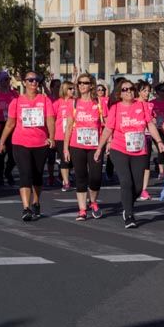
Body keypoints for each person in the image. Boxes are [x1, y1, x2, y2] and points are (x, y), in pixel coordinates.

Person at [98, 78, 164, 228]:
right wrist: (99, 148)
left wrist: (159, 141)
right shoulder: (115, 108)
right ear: (120, 93)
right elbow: (108, 129)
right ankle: (129, 214)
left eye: (131, 89)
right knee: (126, 182)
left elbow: (150, 124)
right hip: (119, 149)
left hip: (139, 150)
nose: (128, 91)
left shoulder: (141, 105)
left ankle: (127, 203)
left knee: (138, 186)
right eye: (125, 89)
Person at [0, 71, 56, 221]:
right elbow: (10, 124)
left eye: (36, 80)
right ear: (24, 82)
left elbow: (50, 120)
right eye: (30, 80)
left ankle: (36, 202)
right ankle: (26, 207)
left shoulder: (44, 100)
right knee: (25, 174)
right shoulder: (16, 102)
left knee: (37, 176)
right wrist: (2, 141)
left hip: (40, 143)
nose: (33, 82)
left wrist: (51, 137)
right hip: (20, 142)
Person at [63, 73, 106, 220]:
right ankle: (82, 209)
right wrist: (65, 148)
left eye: (85, 83)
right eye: (79, 83)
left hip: (95, 145)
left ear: (91, 85)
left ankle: (93, 201)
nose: (82, 85)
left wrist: (109, 142)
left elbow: (106, 125)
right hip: (77, 144)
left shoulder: (99, 103)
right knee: (80, 177)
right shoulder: (73, 103)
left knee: (96, 177)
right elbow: (69, 127)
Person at [51, 80, 75, 192]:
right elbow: (51, 119)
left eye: (73, 88)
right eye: (70, 88)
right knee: (64, 159)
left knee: (74, 159)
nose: (73, 90)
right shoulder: (57, 103)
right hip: (60, 135)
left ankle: (67, 174)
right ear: (64, 90)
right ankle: (66, 182)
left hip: (74, 135)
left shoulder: (76, 102)